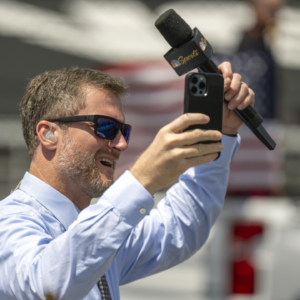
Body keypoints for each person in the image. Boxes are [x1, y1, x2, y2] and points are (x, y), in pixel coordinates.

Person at [0, 62, 254, 300]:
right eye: (106, 127)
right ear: (49, 134)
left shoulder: (95, 225)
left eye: (124, 131)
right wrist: (141, 179)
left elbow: (180, 229)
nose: (121, 143)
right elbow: (48, 287)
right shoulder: (9, 222)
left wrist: (221, 133)